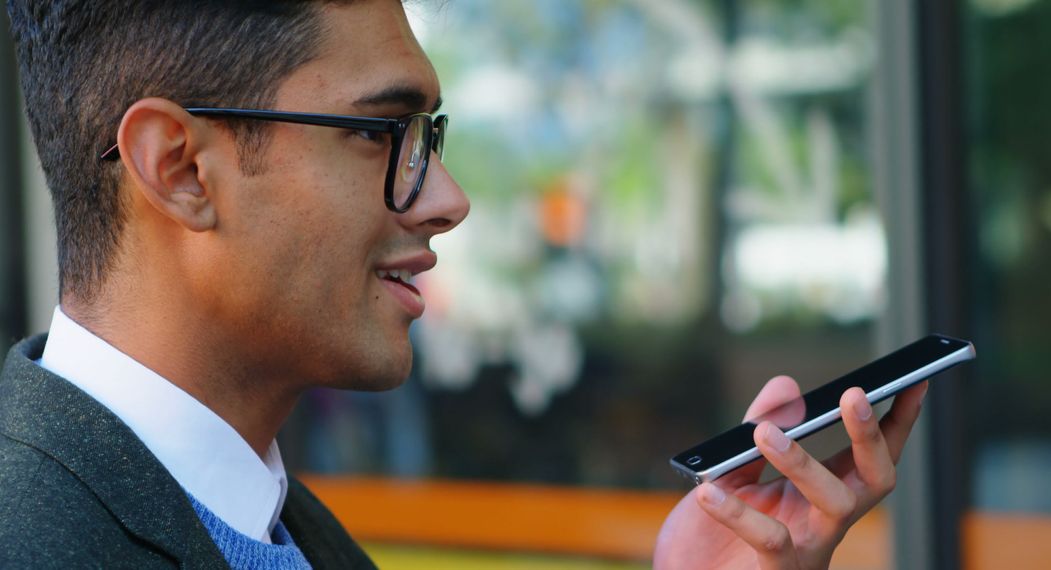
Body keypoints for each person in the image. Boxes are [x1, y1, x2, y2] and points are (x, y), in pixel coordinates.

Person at [0, 1, 926, 568]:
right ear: (181, 168)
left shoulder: (282, 530)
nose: (446, 199)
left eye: (426, 138)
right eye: (380, 133)